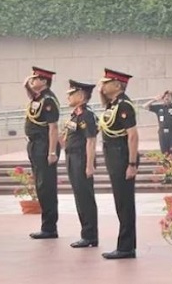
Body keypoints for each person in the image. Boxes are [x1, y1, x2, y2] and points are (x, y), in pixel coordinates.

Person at [97, 68, 139, 259]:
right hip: (113, 154)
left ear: (117, 85)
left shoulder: (124, 105)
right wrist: (101, 93)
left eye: (106, 82)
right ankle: (127, 245)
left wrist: (132, 163)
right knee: (120, 201)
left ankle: (126, 247)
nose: (102, 85)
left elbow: (132, 135)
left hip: (122, 155)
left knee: (124, 203)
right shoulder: (113, 104)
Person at [23, 66, 61, 239]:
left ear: (44, 81)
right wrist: (27, 84)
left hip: (45, 146)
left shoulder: (49, 100)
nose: (33, 80)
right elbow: (30, 93)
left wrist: (52, 152)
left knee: (46, 187)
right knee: (40, 186)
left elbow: (53, 128)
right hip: (34, 145)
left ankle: (50, 228)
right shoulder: (38, 98)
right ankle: (46, 226)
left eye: (36, 78)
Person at [61, 80, 99, 248]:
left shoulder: (86, 115)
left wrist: (89, 165)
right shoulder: (75, 114)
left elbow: (91, 141)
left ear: (81, 96)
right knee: (79, 196)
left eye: (72, 93)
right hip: (71, 157)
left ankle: (90, 235)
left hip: (81, 158)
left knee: (85, 197)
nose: (68, 96)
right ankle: (86, 233)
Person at [142, 90, 172, 156]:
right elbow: (144, 106)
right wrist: (154, 99)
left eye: (169, 96)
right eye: (165, 96)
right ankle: (165, 166)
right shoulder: (159, 108)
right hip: (163, 134)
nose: (167, 98)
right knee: (164, 153)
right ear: (163, 98)